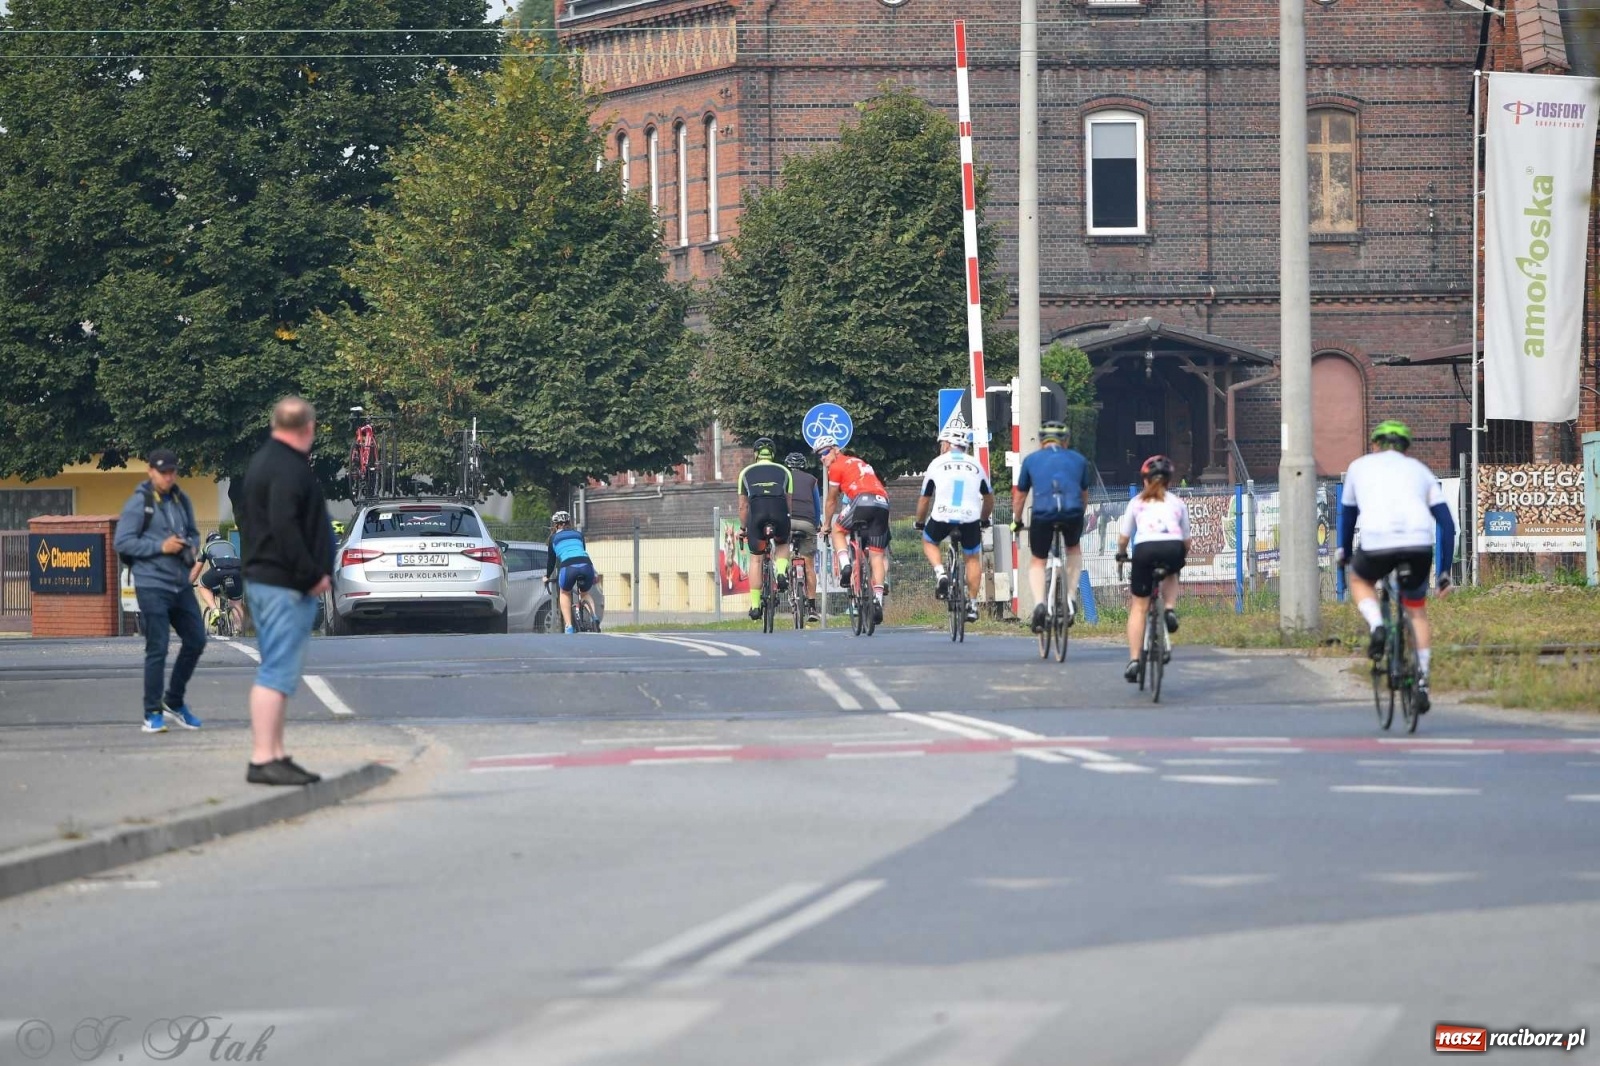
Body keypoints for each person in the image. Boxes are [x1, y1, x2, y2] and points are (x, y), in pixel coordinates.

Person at [238, 397, 333, 786]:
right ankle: (263, 758)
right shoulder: (287, 468)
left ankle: (275, 754)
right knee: (276, 671)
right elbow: (285, 525)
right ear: (307, 427)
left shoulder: (264, 462)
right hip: (283, 584)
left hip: (270, 580)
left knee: (278, 669)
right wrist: (311, 574)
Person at [1338, 419, 1455, 713]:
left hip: (1377, 543)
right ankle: (1423, 682)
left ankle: (1377, 625)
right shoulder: (1421, 471)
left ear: (1374, 445)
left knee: (1360, 580)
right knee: (1416, 610)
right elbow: (1447, 524)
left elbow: (1347, 516)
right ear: (1406, 448)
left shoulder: (1358, 467)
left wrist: (1344, 551)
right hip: (1418, 544)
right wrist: (1443, 572)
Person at [114, 448, 206, 734]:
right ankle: (151, 712)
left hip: (179, 582)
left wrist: (189, 545)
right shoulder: (138, 503)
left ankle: (174, 701)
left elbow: (193, 532)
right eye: (163, 472)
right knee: (158, 647)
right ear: (150, 471)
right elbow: (123, 542)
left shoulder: (181, 498)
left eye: (172, 472)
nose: (168, 477)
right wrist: (160, 547)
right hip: (151, 583)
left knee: (196, 640)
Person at [1011, 419, 1093, 633]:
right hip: (1072, 512)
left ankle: (1039, 604)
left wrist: (1016, 521)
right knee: (1073, 547)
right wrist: (1079, 516)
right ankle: (1070, 597)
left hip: (1043, 514)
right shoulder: (1079, 460)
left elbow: (1020, 496)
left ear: (1041, 441)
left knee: (1038, 559)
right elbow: (1084, 495)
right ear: (1066, 440)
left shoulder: (1031, 460)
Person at [1115, 455, 1190, 683]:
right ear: (1169, 481)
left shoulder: (1136, 502)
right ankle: (1169, 609)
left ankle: (1135, 660)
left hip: (1145, 550)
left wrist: (1121, 554)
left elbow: (1124, 537)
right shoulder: (1177, 503)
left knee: (1139, 607)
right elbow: (1187, 542)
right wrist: (1180, 557)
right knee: (1172, 571)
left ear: (1145, 480)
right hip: (1172, 547)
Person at [916, 428, 993, 624]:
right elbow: (988, 498)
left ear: (948, 444)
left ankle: (941, 573)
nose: (941, 447)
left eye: (942, 443)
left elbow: (925, 499)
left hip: (942, 515)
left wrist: (920, 522)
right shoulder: (976, 464)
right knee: (972, 558)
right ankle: (973, 605)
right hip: (969, 518)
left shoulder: (936, 463)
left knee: (928, 540)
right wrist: (984, 519)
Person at [816, 435, 892, 623]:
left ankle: (846, 566)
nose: (822, 458)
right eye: (819, 455)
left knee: (837, 530)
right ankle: (878, 601)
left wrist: (826, 525)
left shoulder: (836, 466)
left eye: (825, 452)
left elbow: (832, 499)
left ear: (835, 449)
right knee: (877, 556)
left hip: (861, 501)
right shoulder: (860, 462)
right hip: (883, 503)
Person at [739, 438, 793, 621]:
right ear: (772, 454)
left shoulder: (745, 473)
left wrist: (742, 528)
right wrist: (786, 520)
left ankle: (755, 606)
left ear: (755, 454)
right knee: (782, 542)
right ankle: (780, 572)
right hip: (779, 511)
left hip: (757, 514)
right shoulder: (784, 471)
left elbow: (743, 507)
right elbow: (789, 502)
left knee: (756, 559)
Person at [784, 452, 824, 623]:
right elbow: (816, 505)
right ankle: (813, 608)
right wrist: (817, 524)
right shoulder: (811, 480)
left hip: (787, 522)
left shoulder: (783, 478)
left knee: (781, 550)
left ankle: (783, 575)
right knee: (809, 566)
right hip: (807, 523)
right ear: (804, 465)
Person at [545, 511, 598, 633]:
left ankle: (569, 626)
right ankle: (594, 617)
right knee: (584, 592)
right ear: (569, 523)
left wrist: (547, 576)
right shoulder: (579, 534)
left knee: (565, 593)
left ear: (556, 525)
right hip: (586, 564)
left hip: (568, 567)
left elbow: (551, 562)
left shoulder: (553, 538)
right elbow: (582, 550)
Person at [196, 532, 245, 635]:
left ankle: (214, 610)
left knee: (202, 585)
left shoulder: (206, 547)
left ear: (209, 540)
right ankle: (241, 627)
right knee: (235, 602)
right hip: (237, 571)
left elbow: (197, 569)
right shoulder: (230, 545)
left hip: (219, 570)